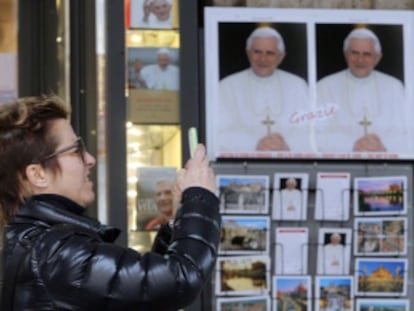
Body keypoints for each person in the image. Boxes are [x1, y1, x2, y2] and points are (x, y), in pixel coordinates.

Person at [0, 95, 221, 310]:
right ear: (38, 175)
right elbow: (179, 280)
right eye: (76, 150)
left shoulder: (39, 242)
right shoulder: (54, 252)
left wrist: (176, 221)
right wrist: (200, 197)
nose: (90, 159)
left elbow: (142, 294)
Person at [316, 27, 411, 154]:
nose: (360, 60)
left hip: (385, 163)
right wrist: (352, 145)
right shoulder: (324, 86)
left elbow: (408, 132)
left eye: (367, 54)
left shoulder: (395, 87)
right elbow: (315, 134)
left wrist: (383, 145)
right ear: (345, 55)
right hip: (342, 162)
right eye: (354, 53)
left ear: (377, 58)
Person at [218, 26, 311, 153]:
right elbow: (219, 132)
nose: (263, 59)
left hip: (288, 164)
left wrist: (286, 145)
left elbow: (311, 131)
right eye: (257, 52)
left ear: (281, 56)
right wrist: (255, 144)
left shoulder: (298, 86)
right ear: (248, 53)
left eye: (270, 53)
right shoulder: (227, 87)